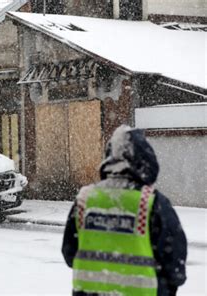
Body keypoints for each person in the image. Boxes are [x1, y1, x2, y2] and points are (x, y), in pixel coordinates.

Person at [61, 125, 187, 296]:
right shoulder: (151, 202)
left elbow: (70, 254)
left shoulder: (85, 200)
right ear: (145, 160)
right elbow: (174, 265)